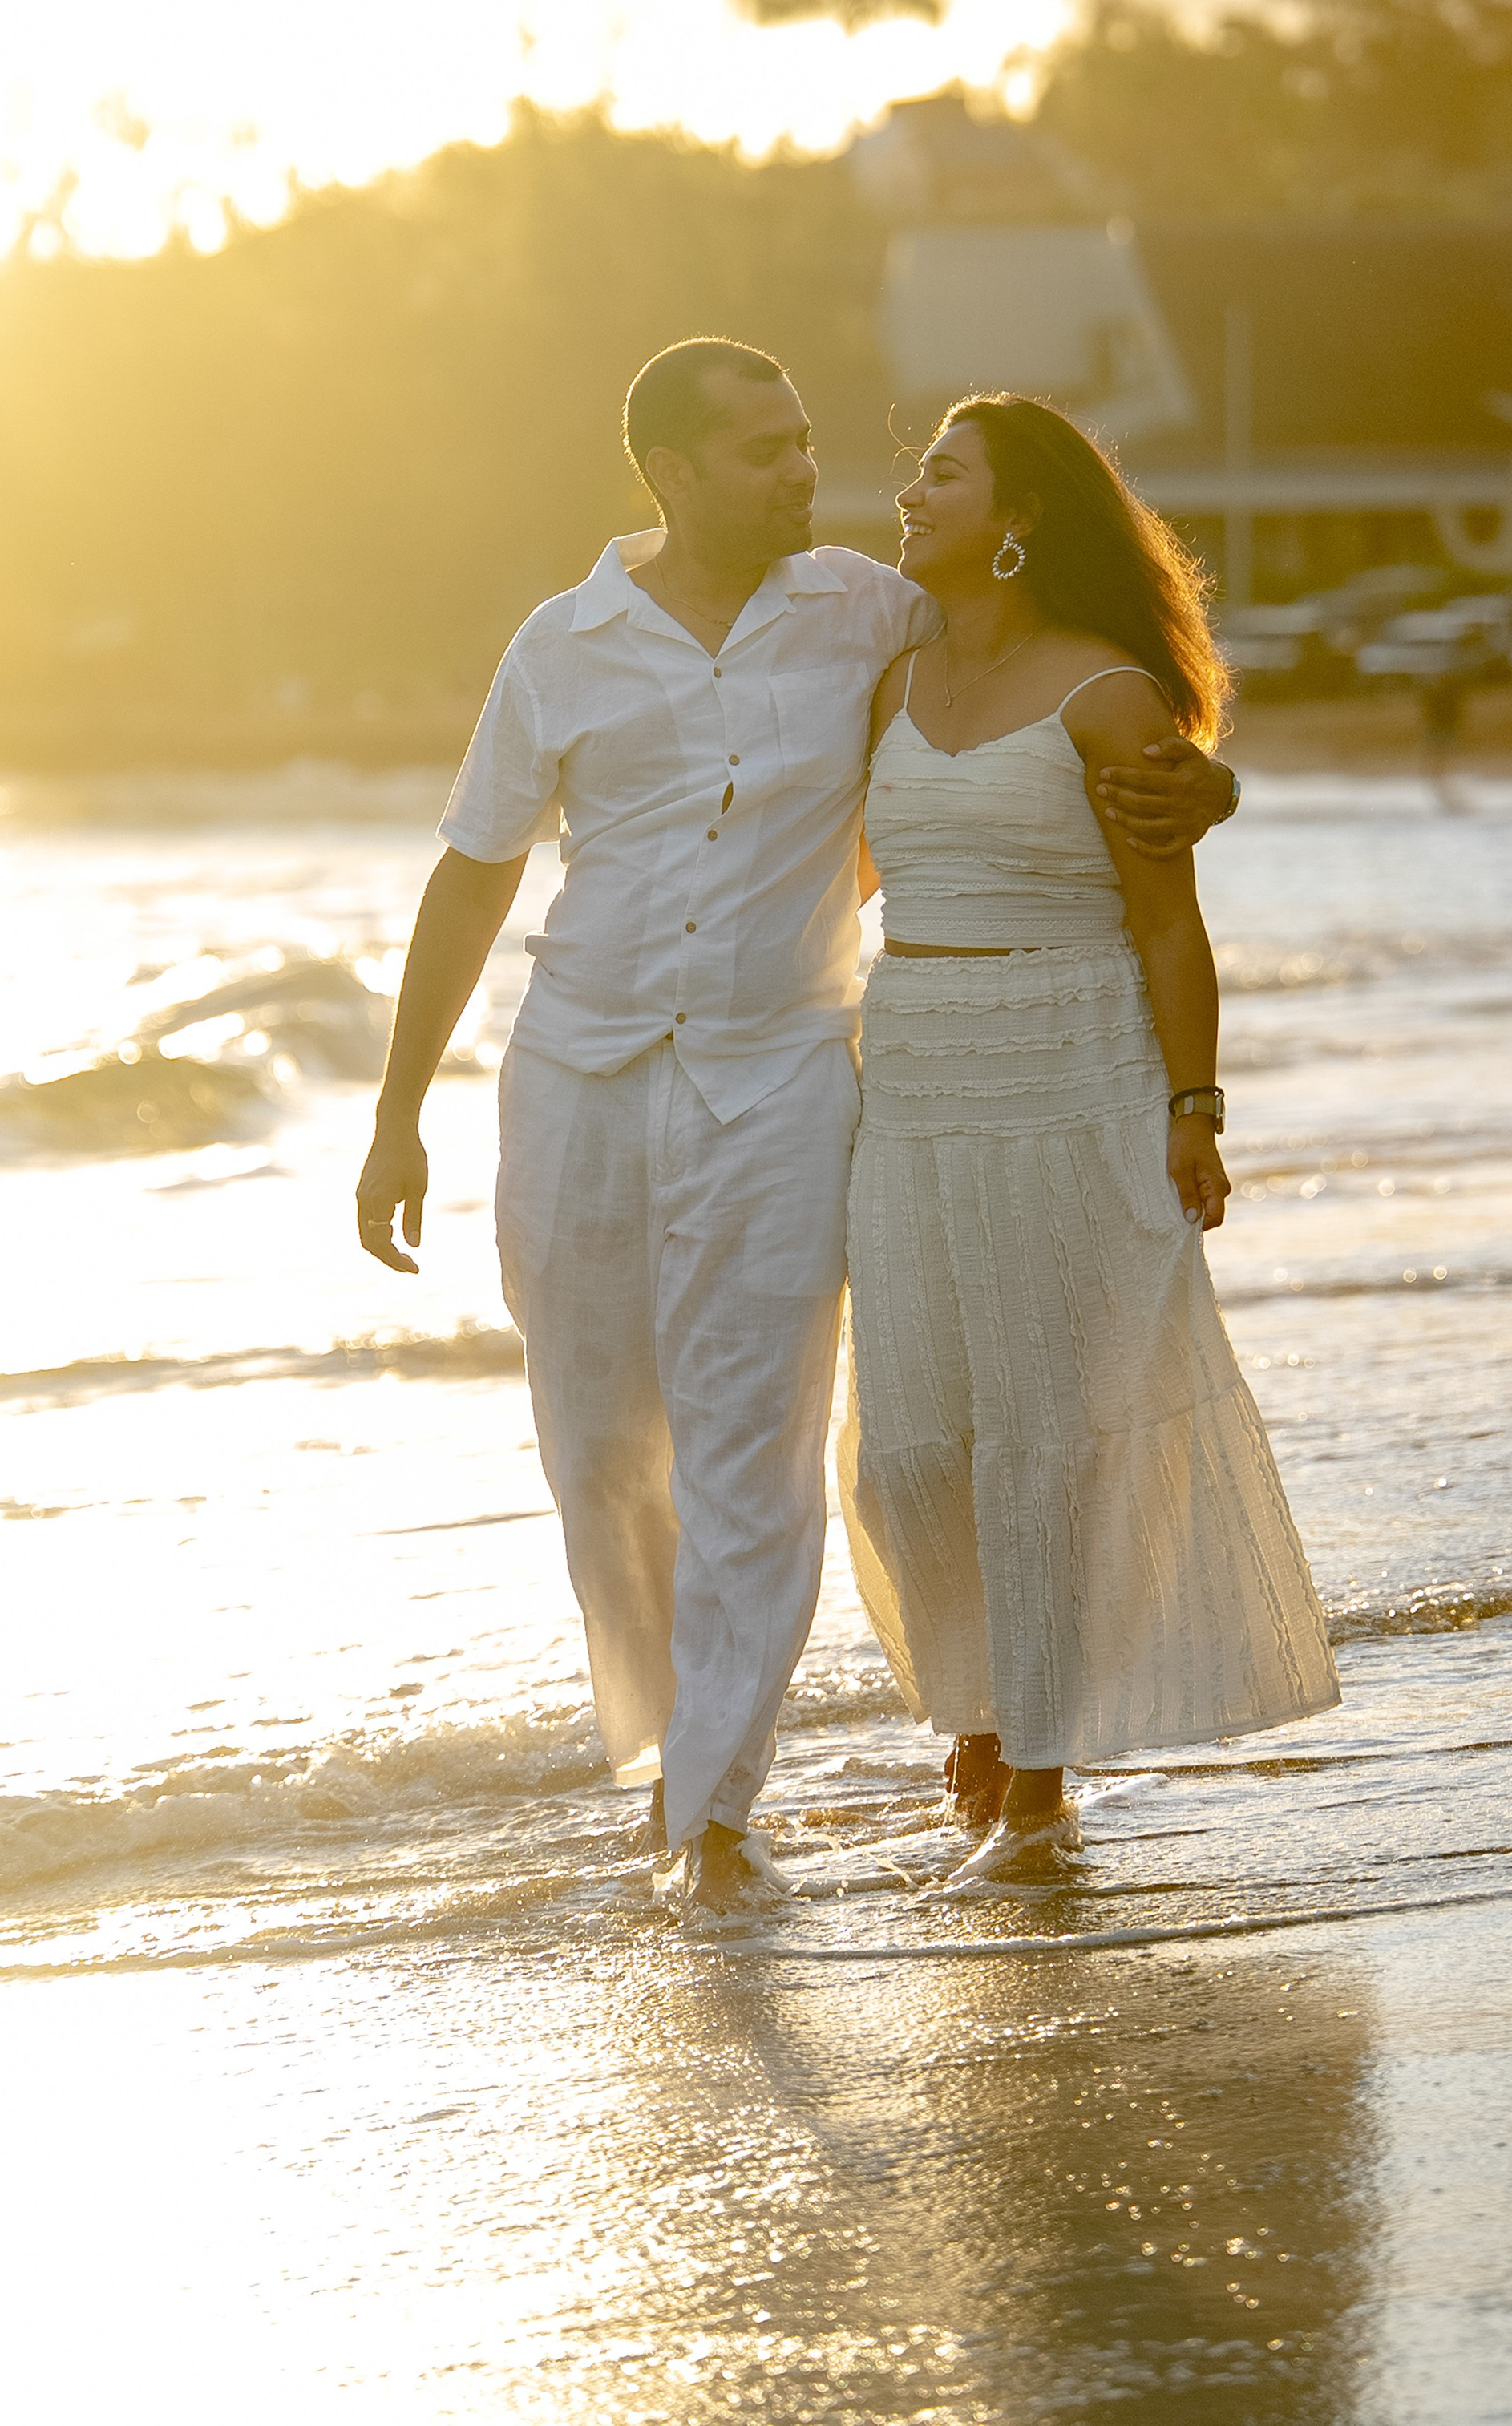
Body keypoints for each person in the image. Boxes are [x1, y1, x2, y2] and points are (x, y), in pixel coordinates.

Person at [355, 342, 1239, 1916]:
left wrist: (1206, 790)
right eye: (765, 451)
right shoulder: (561, 644)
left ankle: (710, 1815)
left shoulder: (868, 609)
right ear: (674, 472)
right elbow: (474, 871)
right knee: (600, 1453)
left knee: (752, 1453)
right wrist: (396, 1110)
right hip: (577, 1075)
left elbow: (1049, 688)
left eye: (805, 440)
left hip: (782, 1081)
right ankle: (670, 1760)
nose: (806, 472)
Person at [840, 394, 1339, 1882]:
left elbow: (1170, 927)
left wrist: (1196, 1107)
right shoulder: (887, 676)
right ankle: (984, 1700)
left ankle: (1038, 1774)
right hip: (910, 1082)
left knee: (1046, 1432)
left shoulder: (1107, 697)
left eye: (943, 473)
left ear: (1021, 517)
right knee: (913, 1439)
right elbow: (832, 870)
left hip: (1071, 1072)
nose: (910, 492)